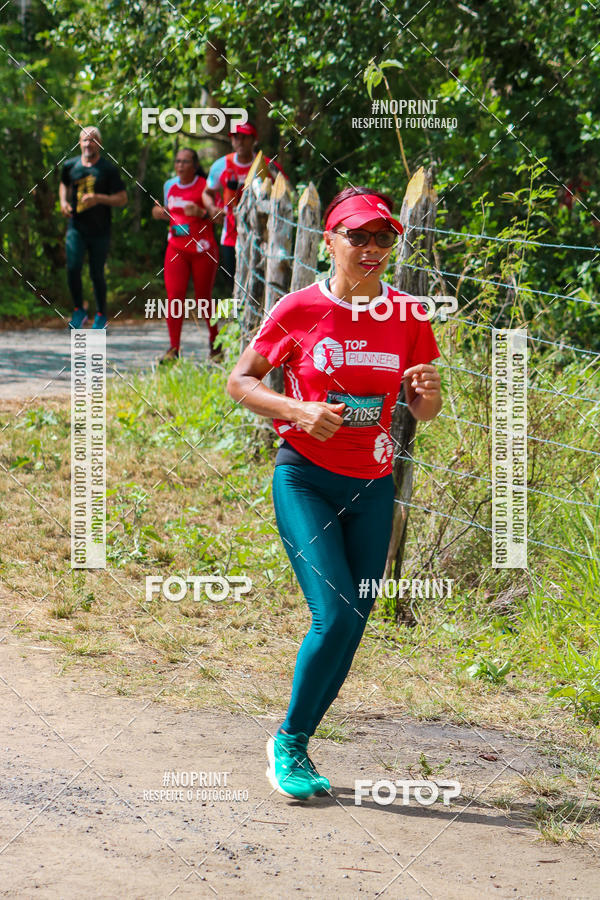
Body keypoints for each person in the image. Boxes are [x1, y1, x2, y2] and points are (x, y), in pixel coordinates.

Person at [227, 186, 442, 800]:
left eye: (383, 238)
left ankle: (298, 740)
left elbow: (423, 409)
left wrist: (427, 397)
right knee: (335, 612)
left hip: (373, 487)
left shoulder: (409, 314)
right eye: (359, 236)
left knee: (356, 619)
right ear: (331, 240)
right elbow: (240, 382)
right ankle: (288, 744)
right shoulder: (298, 308)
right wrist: (297, 409)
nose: (372, 248)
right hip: (305, 477)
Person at [152, 148, 219, 363]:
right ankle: (174, 349)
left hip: (202, 249)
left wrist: (201, 213)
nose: (180, 165)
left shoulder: (206, 186)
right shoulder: (169, 185)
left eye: (186, 161)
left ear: (195, 165)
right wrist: (159, 213)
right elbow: (167, 211)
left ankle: (216, 345)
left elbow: (219, 216)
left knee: (203, 298)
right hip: (176, 248)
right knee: (174, 297)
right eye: (178, 161)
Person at [202, 122, 285, 294]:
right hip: (231, 234)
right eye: (236, 138)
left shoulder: (267, 165)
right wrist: (212, 208)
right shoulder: (221, 165)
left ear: (254, 140)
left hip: (263, 235)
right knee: (233, 281)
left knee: (261, 282)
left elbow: (286, 194)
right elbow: (207, 192)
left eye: (244, 137)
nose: (240, 142)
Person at [60, 126, 127, 329]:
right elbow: (64, 184)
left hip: (100, 230)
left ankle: (100, 315)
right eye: (85, 140)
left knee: (97, 273)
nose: (88, 144)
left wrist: (98, 198)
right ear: (79, 143)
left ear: (99, 144)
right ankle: (79, 311)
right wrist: (63, 202)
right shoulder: (70, 166)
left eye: (93, 140)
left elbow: (122, 198)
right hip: (76, 228)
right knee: (73, 268)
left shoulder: (108, 169)